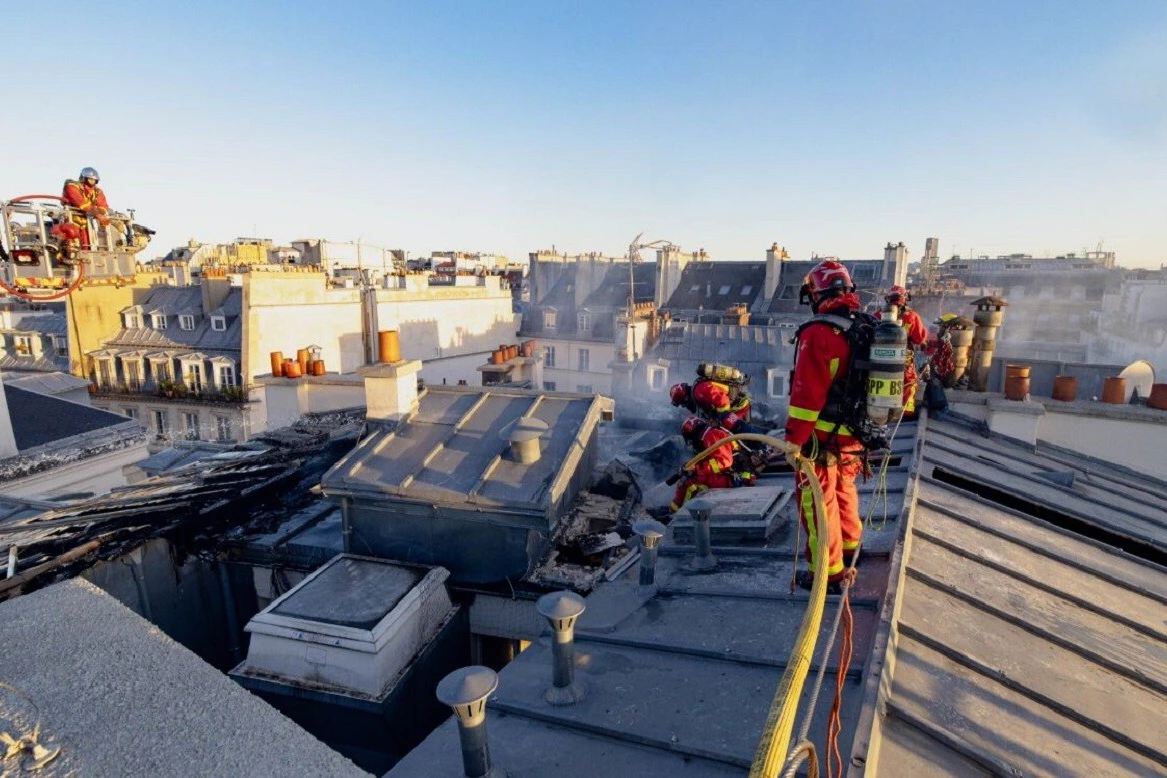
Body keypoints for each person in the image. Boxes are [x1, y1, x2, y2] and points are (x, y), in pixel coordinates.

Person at [786, 259, 870, 595]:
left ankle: (829, 574)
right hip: (856, 433)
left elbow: (806, 397)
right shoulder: (865, 325)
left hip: (822, 437)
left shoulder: (818, 333)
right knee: (844, 491)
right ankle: (850, 550)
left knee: (817, 502)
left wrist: (794, 443)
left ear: (815, 293)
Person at [669, 416, 755, 514]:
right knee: (689, 479)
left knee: (689, 483)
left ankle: (676, 515)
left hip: (736, 478)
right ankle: (674, 510)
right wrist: (692, 467)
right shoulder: (709, 435)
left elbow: (724, 462)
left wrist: (697, 469)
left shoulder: (711, 436)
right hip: (732, 474)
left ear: (692, 434)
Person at [874, 285, 928, 416]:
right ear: (905, 298)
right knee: (909, 381)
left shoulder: (877, 314)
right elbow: (920, 339)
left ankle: (879, 407)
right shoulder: (912, 316)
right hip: (903, 357)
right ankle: (905, 412)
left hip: (879, 356)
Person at [61, 167, 123, 248]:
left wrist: (100, 213)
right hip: (71, 219)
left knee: (87, 245)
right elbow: (82, 204)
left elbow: (103, 207)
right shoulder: (72, 186)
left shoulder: (97, 191)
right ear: (84, 178)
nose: (92, 182)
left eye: (94, 180)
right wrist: (98, 215)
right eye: (90, 179)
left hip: (87, 222)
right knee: (71, 244)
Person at [669, 378, 756, 433]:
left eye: (683, 404)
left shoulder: (699, 391)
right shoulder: (697, 394)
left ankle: (762, 447)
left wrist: (718, 420)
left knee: (739, 433)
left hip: (740, 407)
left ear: (685, 398)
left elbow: (723, 401)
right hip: (735, 408)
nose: (685, 406)